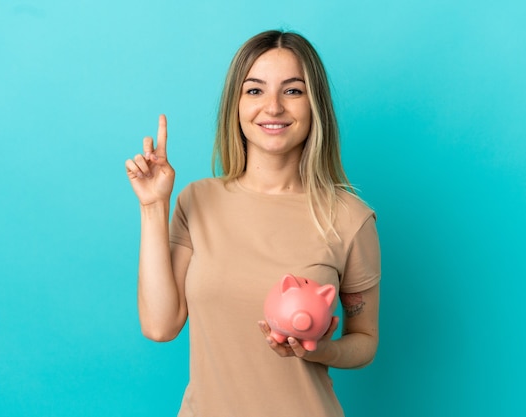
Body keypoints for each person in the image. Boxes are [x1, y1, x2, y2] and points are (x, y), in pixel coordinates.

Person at [125, 30, 381, 417]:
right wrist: (152, 207)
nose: (273, 107)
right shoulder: (198, 201)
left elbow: (364, 340)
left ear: (316, 105)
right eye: (255, 90)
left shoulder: (350, 217)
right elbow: (161, 326)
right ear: (236, 104)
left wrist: (319, 349)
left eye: (293, 91)